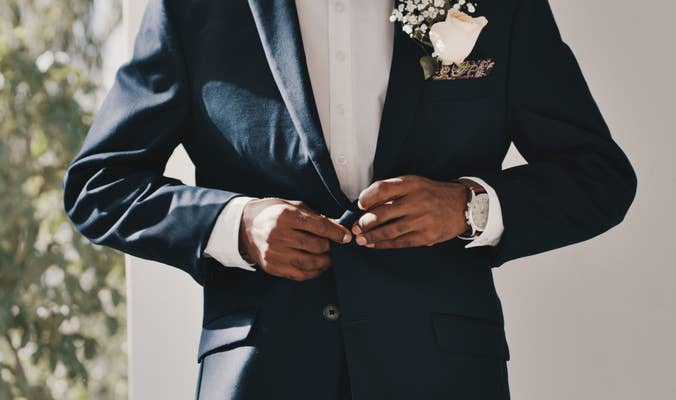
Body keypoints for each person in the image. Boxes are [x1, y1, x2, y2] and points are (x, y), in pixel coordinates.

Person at [63, 0, 636, 398]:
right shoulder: (196, 9)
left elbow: (599, 176)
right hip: (260, 376)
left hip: (442, 377)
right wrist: (235, 225)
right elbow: (100, 184)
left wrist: (468, 208)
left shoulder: (496, 3)